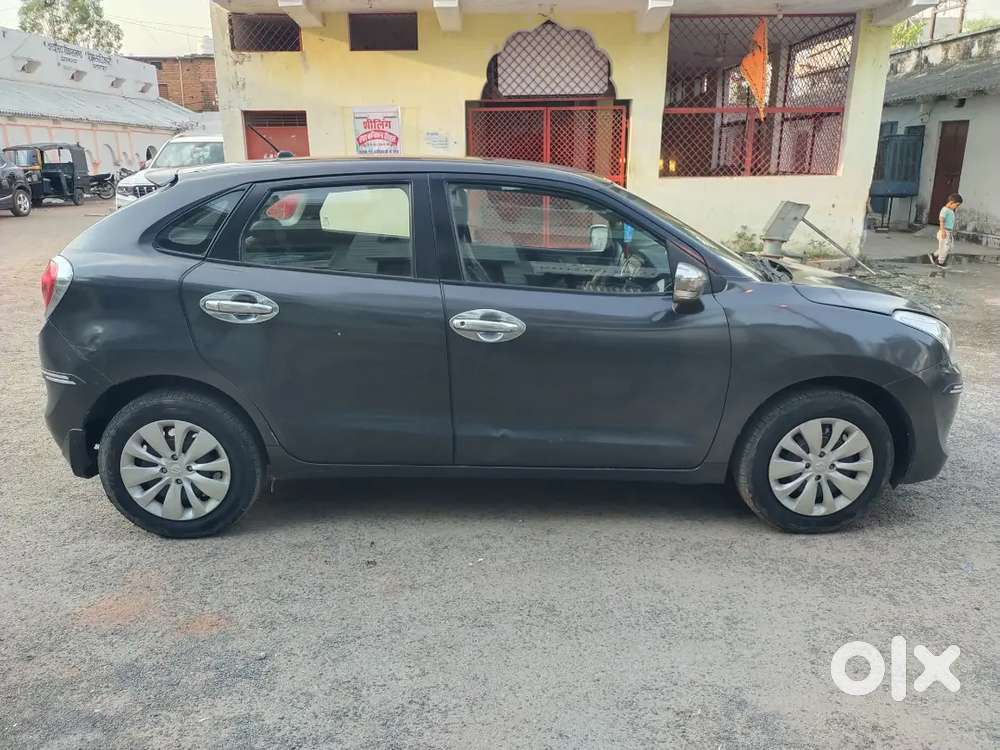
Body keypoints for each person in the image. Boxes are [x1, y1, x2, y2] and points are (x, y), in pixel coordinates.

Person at [936, 193, 963, 267]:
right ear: (951, 202)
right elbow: (941, 220)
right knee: (945, 247)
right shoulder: (945, 210)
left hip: (949, 232)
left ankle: (935, 255)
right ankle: (940, 262)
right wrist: (943, 231)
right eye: (957, 205)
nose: (957, 207)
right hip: (944, 231)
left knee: (950, 247)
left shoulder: (950, 211)